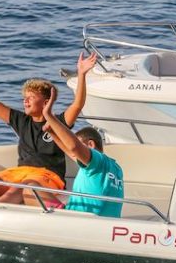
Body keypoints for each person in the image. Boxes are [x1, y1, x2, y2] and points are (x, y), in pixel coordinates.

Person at [0, 42, 97, 207]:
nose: (25, 101)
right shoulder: (21, 120)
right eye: (24, 98)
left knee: (21, 187)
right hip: (19, 173)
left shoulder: (58, 123)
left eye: (31, 97)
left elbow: (77, 105)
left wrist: (81, 74)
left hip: (47, 177)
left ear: (46, 102)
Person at [40, 88, 124, 218]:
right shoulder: (115, 167)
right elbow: (71, 151)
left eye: (81, 146)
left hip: (78, 220)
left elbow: (73, 147)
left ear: (90, 145)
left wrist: (49, 116)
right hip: (106, 222)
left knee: (30, 186)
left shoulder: (97, 161)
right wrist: (52, 132)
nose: (77, 152)